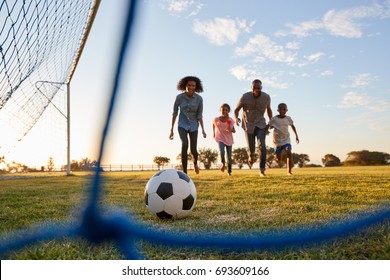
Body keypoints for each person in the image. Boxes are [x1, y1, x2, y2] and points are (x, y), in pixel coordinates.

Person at [234, 79, 272, 177]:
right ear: (251, 88)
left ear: (261, 88)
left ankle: (262, 170)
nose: (256, 90)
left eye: (258, 88)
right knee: (251, 148)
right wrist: (236, 118)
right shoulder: (245, 96)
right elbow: (236, 110)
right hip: (248, 125)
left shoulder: (266, 97)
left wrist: (271, 121)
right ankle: (250, 155)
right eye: (254, 88)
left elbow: (268, 109)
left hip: (261, 125)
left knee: (262, 146)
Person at [169, 76, 207, 174]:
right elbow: (174, 113)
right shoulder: (179, 98)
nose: (191, 87)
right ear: (184, 86)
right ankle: (185, 172)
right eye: (189, 85)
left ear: (196, 87)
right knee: (184, 144)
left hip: (194, 126)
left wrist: (203, 129)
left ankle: (195, 163)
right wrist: (171, 130)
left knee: (193, 150)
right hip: (182, 125)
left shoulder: (199, 99)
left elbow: (199, 115)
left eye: (193, 86)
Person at [268, 103, 299, 175]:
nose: (282, 111)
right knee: (278, 159)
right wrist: (267, 129)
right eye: (281, 109)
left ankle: (289, 172)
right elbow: (269, 126)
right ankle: (278, 156)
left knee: (289, 152)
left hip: (286, 139)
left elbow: (292, 126)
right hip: (277, 141)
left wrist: (296, 136)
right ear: (278, 110)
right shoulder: (274, 119)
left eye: (284, 109)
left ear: (286, 110)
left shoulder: (288, 118)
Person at [213, 103, 235, 176]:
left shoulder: (230, 120)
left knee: (229, 157)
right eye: (223, 110)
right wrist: (214, 133)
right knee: (222, 151)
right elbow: (213, 125)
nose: (224, 111)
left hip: (228, 139)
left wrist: (230, 129)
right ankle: (223, 164)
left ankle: (229, 171)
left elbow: (234, 130)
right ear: (220, 110)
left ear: (228, 111)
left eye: (226, 110)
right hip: (220, 138)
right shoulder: (216, 119)